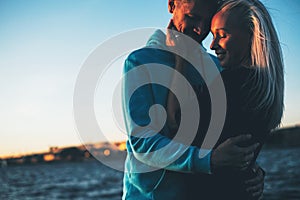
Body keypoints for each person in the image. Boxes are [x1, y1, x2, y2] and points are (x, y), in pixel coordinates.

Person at [122, 0, 265, 199]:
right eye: (192, 17)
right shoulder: (140, 62)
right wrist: (209, 160)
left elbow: (229, 132)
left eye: (206, 22)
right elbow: (144, 144)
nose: (199, 29)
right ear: (171, 5)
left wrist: (252, 173)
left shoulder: (218, 67)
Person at [188, 0, 283, 199]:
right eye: (213, 35)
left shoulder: (229, 83)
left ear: (251, 35)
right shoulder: (264, 88)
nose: (212, 45)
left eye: (222, 35)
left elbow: (173, 122)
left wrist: (180, 54)